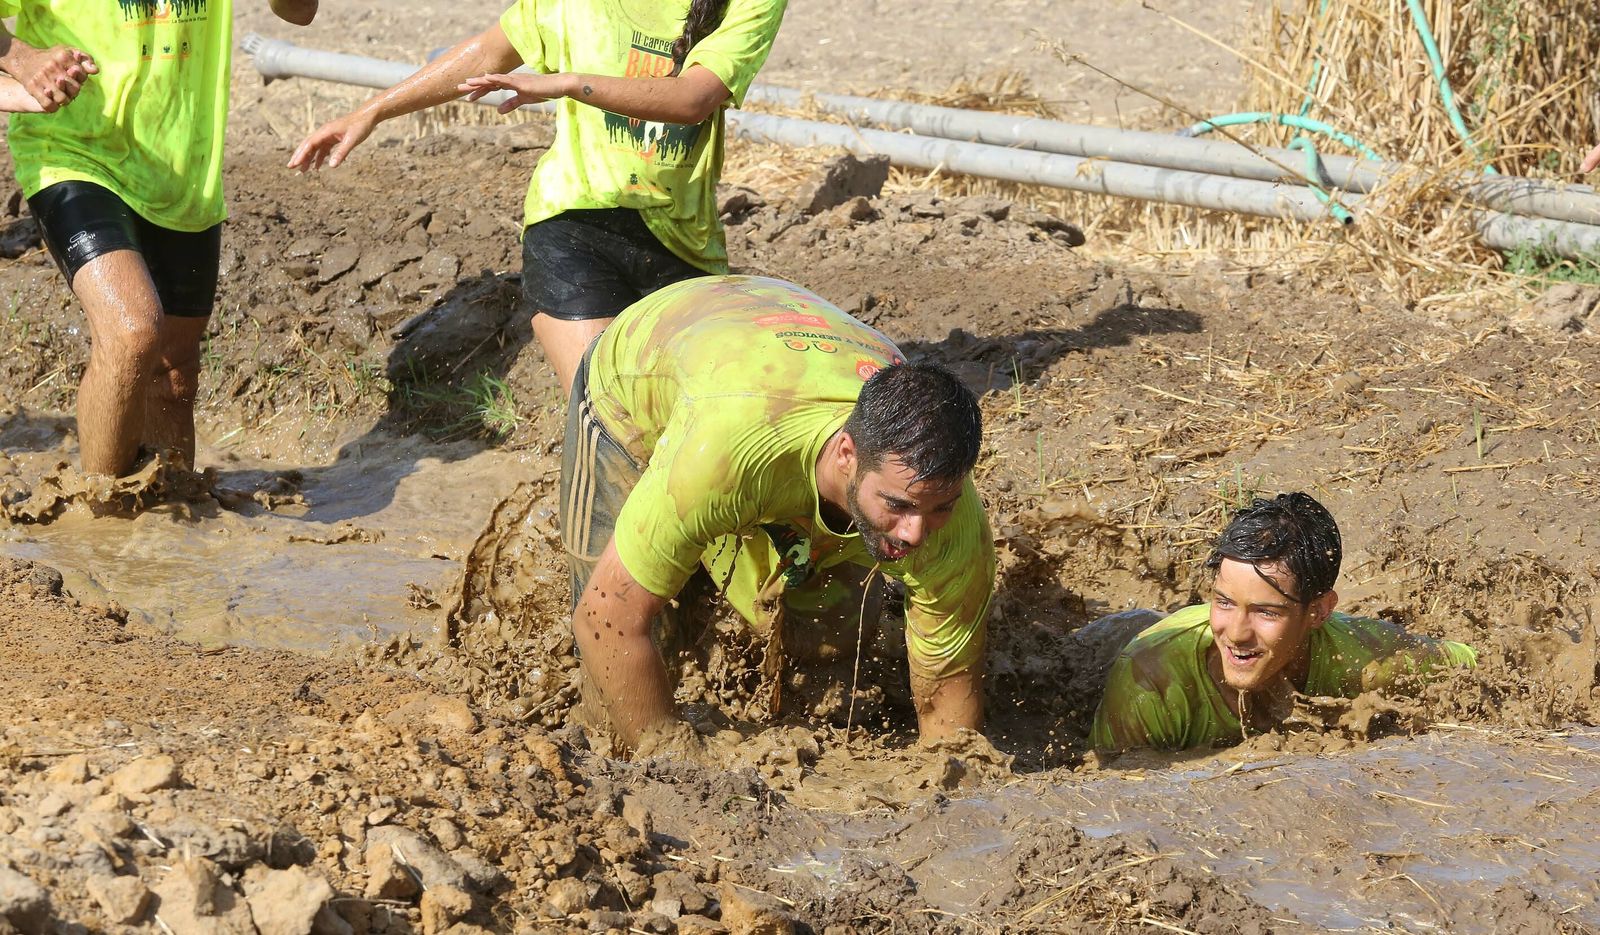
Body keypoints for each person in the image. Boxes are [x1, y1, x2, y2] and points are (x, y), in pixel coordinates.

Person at [559, 274, 995, 756]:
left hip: (785, 353)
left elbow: (952, 711)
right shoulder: (720, 459)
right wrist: (678, 772)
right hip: (647, 369)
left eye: (938, 508)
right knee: (626, 668)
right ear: (847, 454)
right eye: (897, 506)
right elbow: (605, 618)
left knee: (829, 661)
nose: (915, 533)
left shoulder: (951, 519)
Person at [289, 0, 787, 396]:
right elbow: (486, 54)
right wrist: (372, 111)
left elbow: (692, 99)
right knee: (605, 416)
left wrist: (569, 82)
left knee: (690, 422)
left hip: (684, 242)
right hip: (574, 222)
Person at [0, 0, 320, 479]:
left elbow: (298, 12)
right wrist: (21, 57)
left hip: (182, 167)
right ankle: (102, 525)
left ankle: (166, 527)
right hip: (72, 150)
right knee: (131, 331)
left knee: (174, 376)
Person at [1091, 492, 1476, 752]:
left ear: (1320, 612)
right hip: (1122, 641)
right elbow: (1112, 793)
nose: (1237, 633)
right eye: (1224, 602)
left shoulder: (1365, 660)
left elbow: (1473, 667)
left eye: (1266, 612)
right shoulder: (1149, 684)